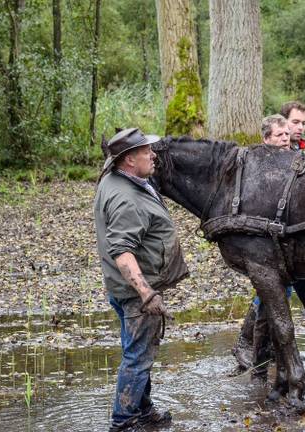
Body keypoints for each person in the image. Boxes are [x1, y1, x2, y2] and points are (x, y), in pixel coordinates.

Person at [233, 104, 305, 386]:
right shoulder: (255, 171)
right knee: (264, 312)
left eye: (294, 128)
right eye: (283, 132)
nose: (291, 134)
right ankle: (259, 368)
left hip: (303, 255)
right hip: (272, 258)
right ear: (267, 139)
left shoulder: (301, 159)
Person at [94, 128, 189, 432]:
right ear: (129, 160)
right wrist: (147, 294)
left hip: (122, 288)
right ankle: (123, 421)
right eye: (147, 151)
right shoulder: (127, 200)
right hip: (135, 292)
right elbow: (122, 252)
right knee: (137, 357)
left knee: (138, 351)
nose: (153, 155)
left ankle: (143, 409)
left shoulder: (118, 177)